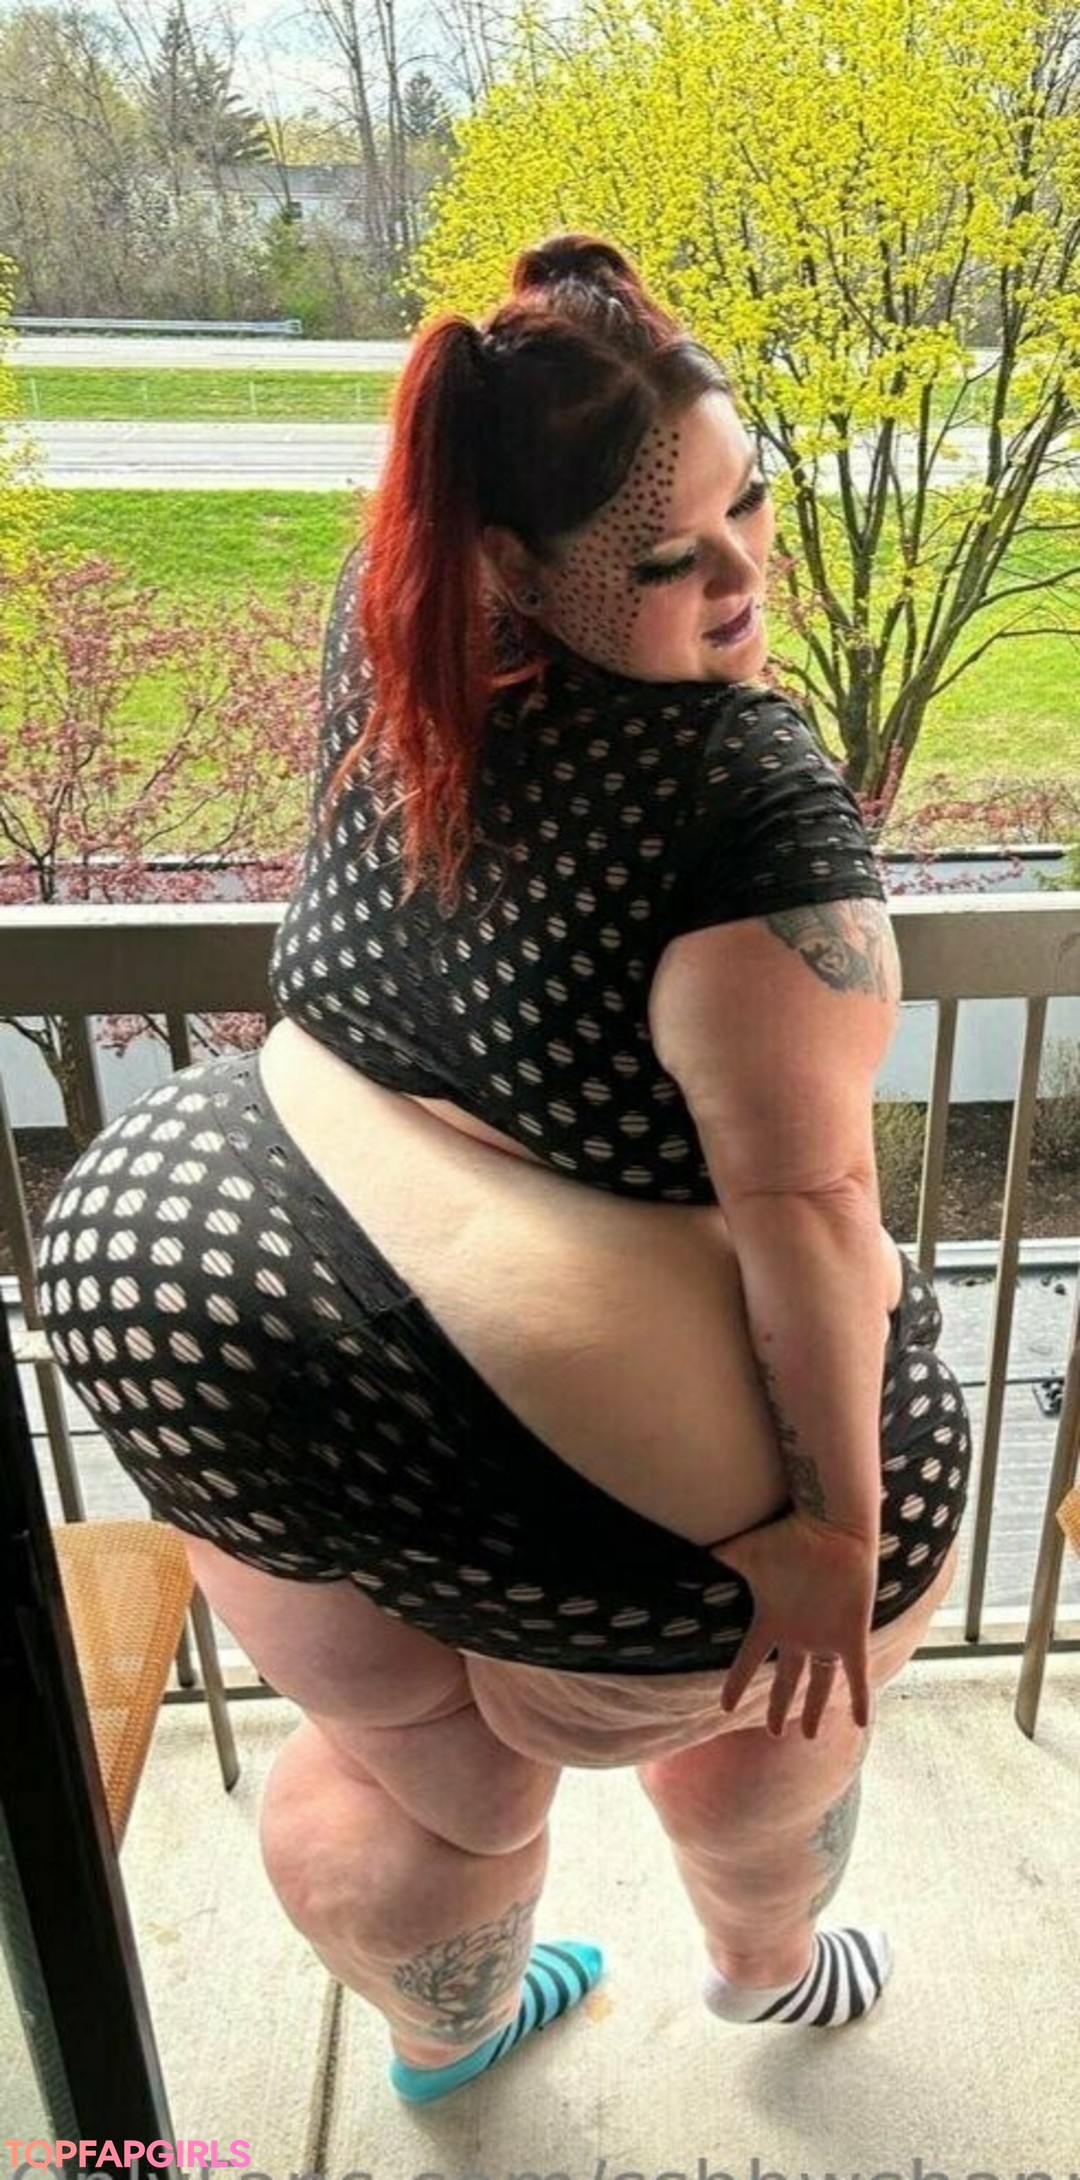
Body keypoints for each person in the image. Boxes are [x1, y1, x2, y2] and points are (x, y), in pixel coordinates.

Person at [35, 232, 971, 2100]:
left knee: (415, 1788)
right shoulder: (741, 802)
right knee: (768, 1734)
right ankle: (767, 1972)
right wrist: (834, 1543)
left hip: (206, 1327)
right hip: (617, 1522)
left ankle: (450, 2034)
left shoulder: (395, 615)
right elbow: (808, 1211)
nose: (743, 577)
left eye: (750, 505)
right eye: (670, 557)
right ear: (506, 566)